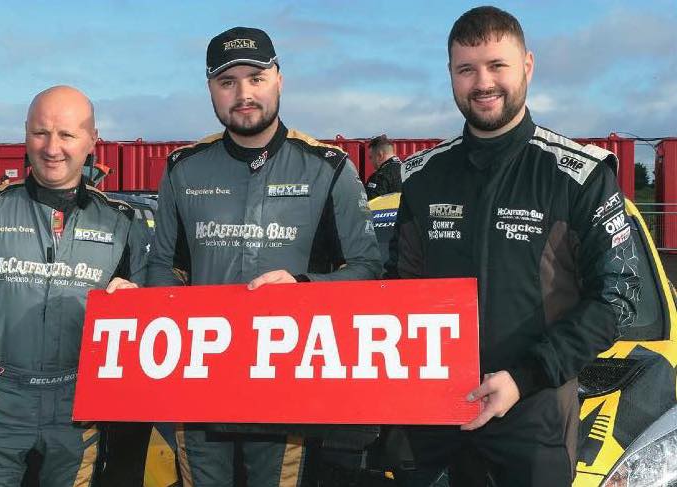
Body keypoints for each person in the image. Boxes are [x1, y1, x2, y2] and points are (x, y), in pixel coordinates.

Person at [385, 6, 639, 486]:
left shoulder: (580, 176)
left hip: (533, 416)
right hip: (435, 419)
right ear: (451, 75)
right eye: (467, 69)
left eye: (497, 65)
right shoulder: (422, 176)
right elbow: (397, 288)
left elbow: (619, 299)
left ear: (527, 66)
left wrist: (525, 377)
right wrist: (302, 290)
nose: (483, 82)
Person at [146, 26, 382, 487]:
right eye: (227, 81)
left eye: (256, 77)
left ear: (279, 79)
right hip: (200, 384)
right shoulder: (183, 168)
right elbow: (163, 267)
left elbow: (368, 270)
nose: (243, 93)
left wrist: (305, 288)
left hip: (289, 383)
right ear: (211, 89)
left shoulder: (328, 167)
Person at [0, 85, 152, 487]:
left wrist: (140, 306)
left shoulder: (122, 222)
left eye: (67, 135)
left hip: (82, 403)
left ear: (92, 140)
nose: (52, 147)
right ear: (25, 134)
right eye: (40, 133)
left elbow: (156, 317)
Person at [365, 135, 402, 199]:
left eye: (371, 157)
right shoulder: (409, 171)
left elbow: (370, 205)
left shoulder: (379, 177)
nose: (371, 161)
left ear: (380, 155)